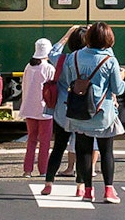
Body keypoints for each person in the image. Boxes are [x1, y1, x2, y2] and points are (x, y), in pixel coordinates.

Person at [65, 22, 125, 204]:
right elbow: (118, 89)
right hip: (102, 114)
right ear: (109, 39)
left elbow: (70, 82)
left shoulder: (73, 57)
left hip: (78, 112)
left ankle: (87, 191)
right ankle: (108, 191)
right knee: (106, 152)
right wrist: (121, 77)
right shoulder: (110, 61)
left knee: (83, 151)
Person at [42, 25, 89, 195]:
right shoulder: (88, 61)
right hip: (82, 109)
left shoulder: (62, 59)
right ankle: (80, 186)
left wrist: (68, 33)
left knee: (58, 148)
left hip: (62, 110)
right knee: (83, 149)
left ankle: (48, 183)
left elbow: (52, 52)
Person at [20, 38, 56, 178]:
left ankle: (27, 170)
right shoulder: (49, 68)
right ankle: (43, 170)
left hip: (29, 108)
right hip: (45, 110)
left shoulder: (28, 67)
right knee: (45, 141)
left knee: (31, 140)